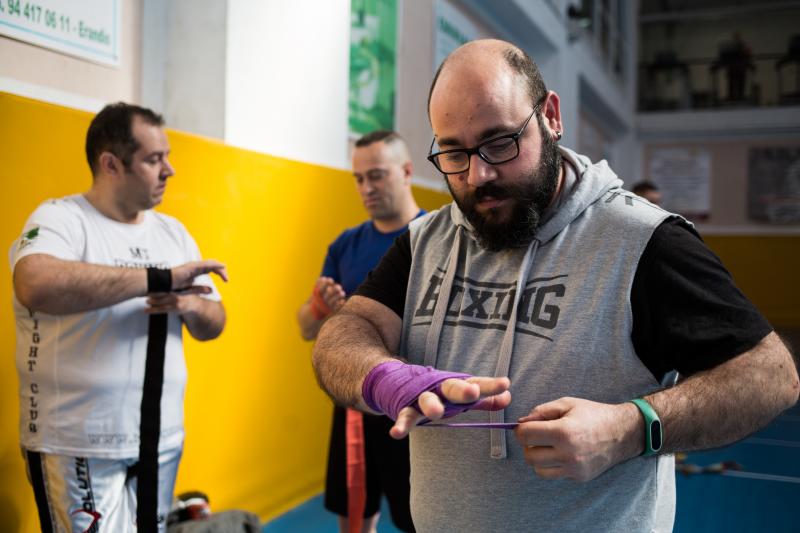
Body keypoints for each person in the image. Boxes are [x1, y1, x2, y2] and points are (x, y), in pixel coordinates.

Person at [311, 39, 799, 532]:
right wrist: (384, 377)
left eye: (500, 142)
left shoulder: (641, 241)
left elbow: (772, 375)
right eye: (455, 153)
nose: (480, 174)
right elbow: (347, 330)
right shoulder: (425, 241)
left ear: (551, 116)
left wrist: (631, 428)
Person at [11, 102, 228, 532]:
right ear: (111, 164)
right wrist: (160, 278)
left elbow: (215, 320)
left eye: (167, 156)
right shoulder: (61, 219)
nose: (169, 170)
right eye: (153, 159)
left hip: (159, 440)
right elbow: (34, 283)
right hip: (76, 442)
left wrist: (190, 305)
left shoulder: (172, 231)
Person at [297, 130, 422, 533]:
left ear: (406, 172)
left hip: (417, 402)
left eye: (377, 176)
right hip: (356, 394)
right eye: (358, 178)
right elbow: (305, 327)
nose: (366, 188)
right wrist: (320, 308)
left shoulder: (436, 237)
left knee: (422, 516)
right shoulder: (346, 245)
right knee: (355, 514)